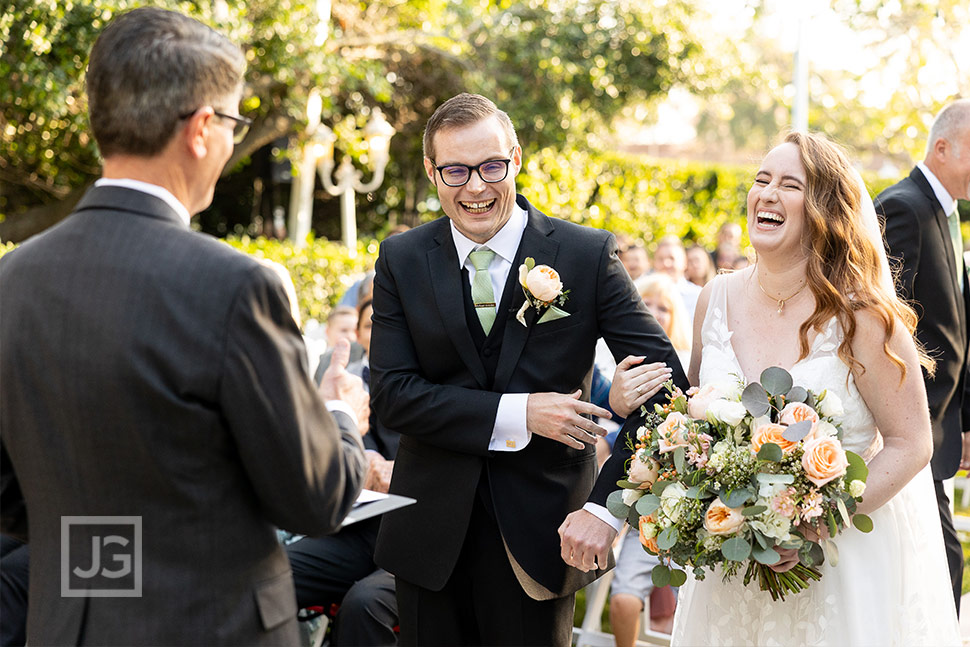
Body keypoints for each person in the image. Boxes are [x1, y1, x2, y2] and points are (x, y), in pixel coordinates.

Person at [0, 8, 367, 645]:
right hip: (210, 625)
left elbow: (10, 494)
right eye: (232, 123)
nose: (230, 141)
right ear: (201, 129)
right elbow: (315, 498)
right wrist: (339, 418)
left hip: (69, 624)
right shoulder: (232, 286)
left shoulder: (11, 282)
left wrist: (110, 559)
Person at [612, 131, 960, 645]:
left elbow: (912, 443)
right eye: (761, 180)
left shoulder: (861, 316)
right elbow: (690, 416)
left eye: (789, 185)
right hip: (730, 576)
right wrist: (629, 401)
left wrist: (816, 523)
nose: (767, 193)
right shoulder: (716, 298)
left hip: (837, 567)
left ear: (824, 208)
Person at [368, 93, 688, 646]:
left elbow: (670, 396)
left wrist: (605, 510)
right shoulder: (402, 258)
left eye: (491, 166)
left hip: (543, 539)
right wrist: (520, 413)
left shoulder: (586, 256)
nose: (475, 187)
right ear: (431, 171)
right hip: (428, 542)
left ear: (515, 158)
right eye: (456, 170)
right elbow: (394, 396)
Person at [875, 98, 970, 614]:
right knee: (941, 561)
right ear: (943, 147)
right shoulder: (903, 207)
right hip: (908, 422)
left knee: (932, 561)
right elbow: (886, 322)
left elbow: (957, 327)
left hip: (941, 422)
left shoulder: (947, 215)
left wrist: (964, 418)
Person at [289, 298, 399, 646]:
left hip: (433, 536)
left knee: (365, 604)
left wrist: (407, 474)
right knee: (266, 573)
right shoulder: (352, 379)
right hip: (364, 525)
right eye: (372, 325)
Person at [652, 235, 702, 322]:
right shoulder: (644, 296)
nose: (666, 264)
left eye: (672, 258)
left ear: (684, 262)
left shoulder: (698, 296)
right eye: (660, 259)